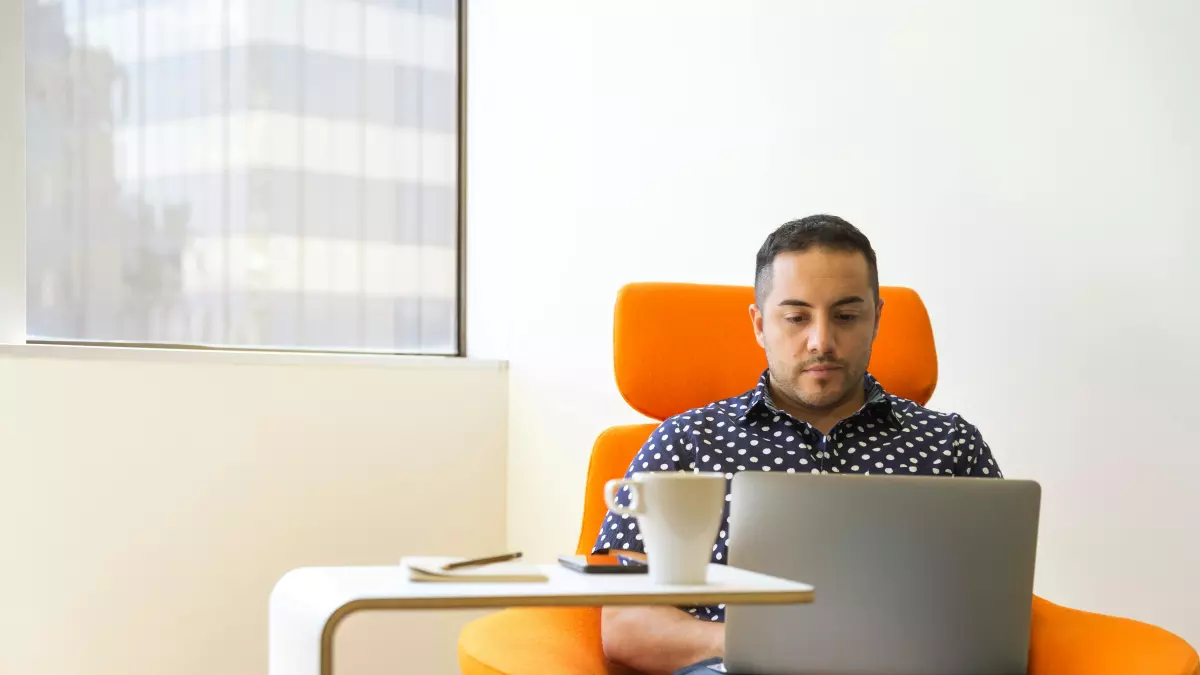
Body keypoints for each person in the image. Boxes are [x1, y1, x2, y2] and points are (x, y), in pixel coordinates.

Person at [593, 215, 1002, 675]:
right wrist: (776, 643)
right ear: (759, 324)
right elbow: (625, 622)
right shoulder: (684, 441)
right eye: (796, 317)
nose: (821, 341)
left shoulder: (950, 444)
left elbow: (997, 612)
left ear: (877, 319)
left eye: (846, 316)